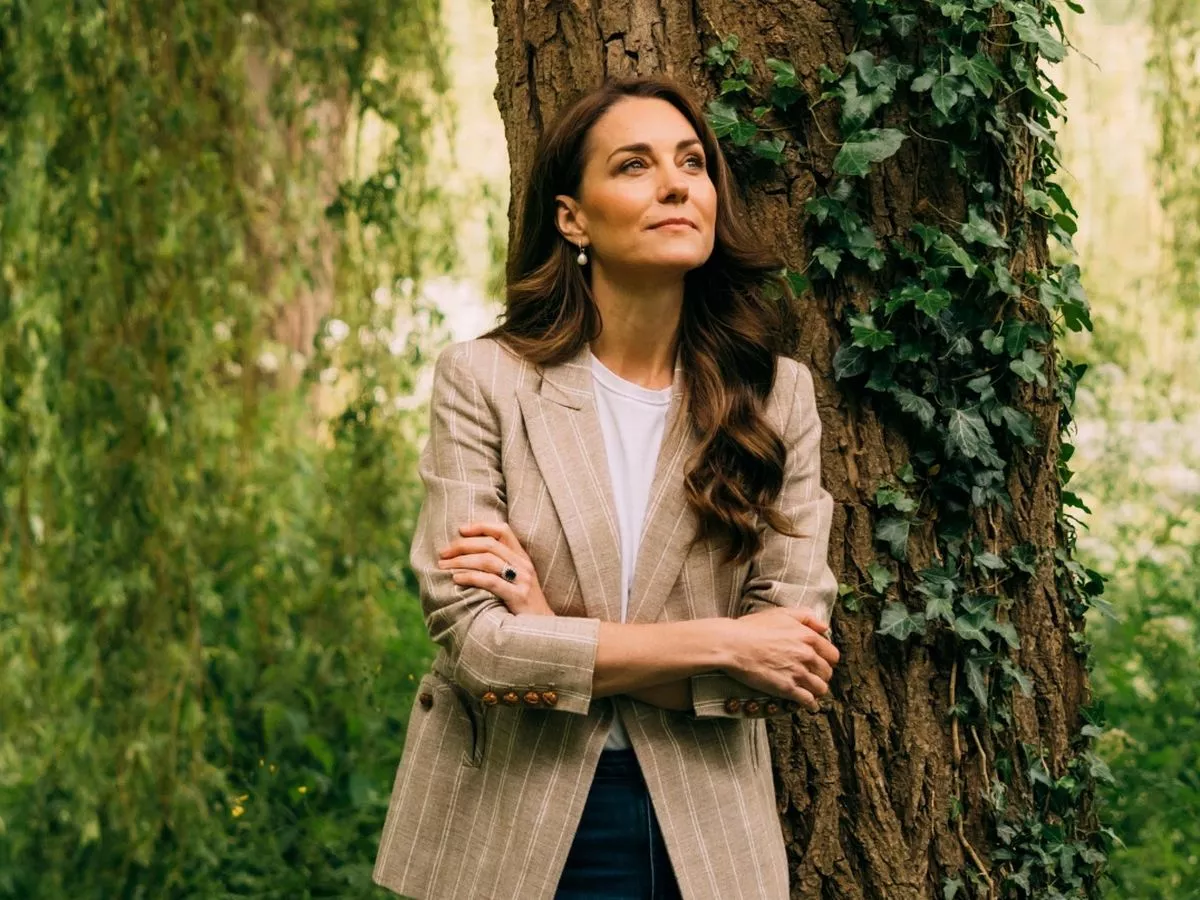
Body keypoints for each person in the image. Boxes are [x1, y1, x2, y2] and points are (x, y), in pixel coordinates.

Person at [372, 75, 841, 900]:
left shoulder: (776, 396)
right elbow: (480, 646)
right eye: (634, 165)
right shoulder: (485, 381)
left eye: (692, 163)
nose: (674, 183)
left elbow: (790, 661)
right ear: (572, 217)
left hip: (707, 832)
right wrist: (727, 642)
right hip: (511, 821)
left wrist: (553, 629)